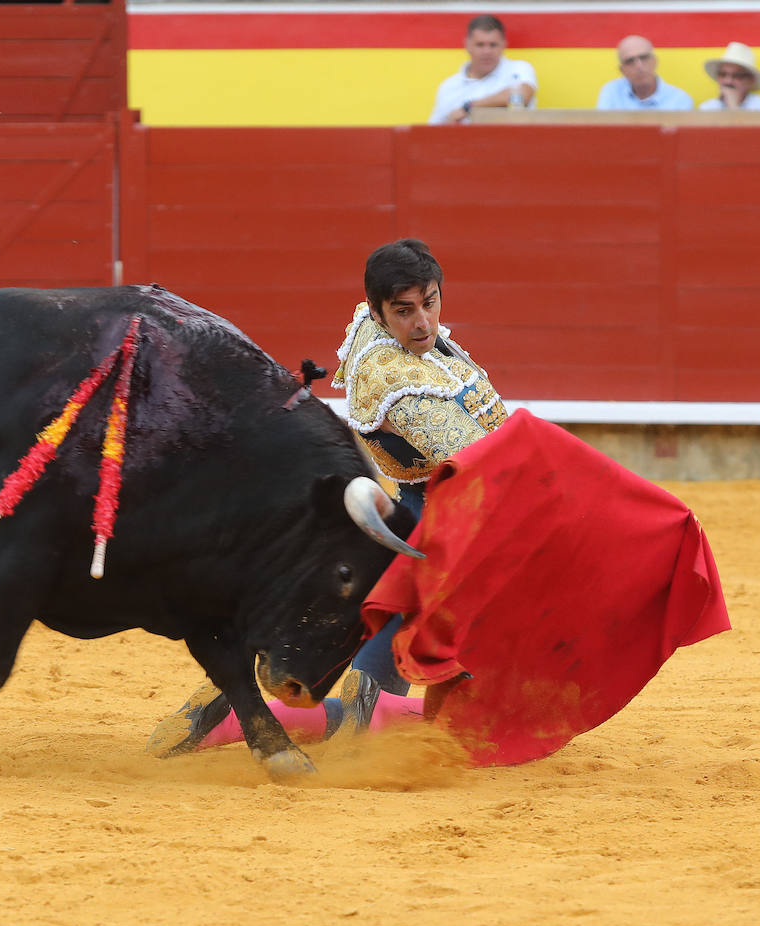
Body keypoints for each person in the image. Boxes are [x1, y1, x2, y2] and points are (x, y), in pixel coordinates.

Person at [146, 239, 509, 757]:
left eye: (430, 302)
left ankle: (233, 715)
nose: (424, 322)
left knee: (382, 648)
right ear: (381, 311)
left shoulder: (389, 334)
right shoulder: (394, 377)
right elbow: (472, 455)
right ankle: (358, 708)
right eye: (404, 311)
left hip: (416, 515)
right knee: (484, 703)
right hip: (455, 522)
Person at [427, 15, 537, 125]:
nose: (486, 51)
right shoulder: (449, 87)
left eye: (493, 45)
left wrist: (469, 107)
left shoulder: (518, 69)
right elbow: (432, 132)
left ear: (504, 45)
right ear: (467, 45)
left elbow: (522, 96)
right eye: (480, 45)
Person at [595, 35, 694, 110]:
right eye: (630, 61)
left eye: (643, 58)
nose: (639, 66)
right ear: (622, 70)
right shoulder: (611, 92)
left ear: (655, 61)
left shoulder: (679, 99)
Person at [699, 42, 760, 110]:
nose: (728, 81)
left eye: (737, 76)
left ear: (751, 81)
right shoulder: (707, 108)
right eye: (723, 74)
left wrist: (733, 106)